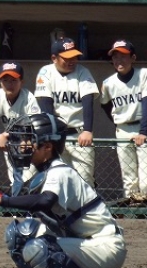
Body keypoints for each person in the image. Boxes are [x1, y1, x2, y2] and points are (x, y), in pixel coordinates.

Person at [0, 113, 126, 268]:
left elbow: (46, 200)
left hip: (105, 246)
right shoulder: (42, 172)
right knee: (18, 235)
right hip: (82, 240)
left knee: (40, 250)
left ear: (47, 147)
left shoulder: (60, 172)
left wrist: (1, 202)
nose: (22, 146)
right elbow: (21, 199)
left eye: (29, 140)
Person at [34, 38, 99, 186]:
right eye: (67, 58)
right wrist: (52, 136)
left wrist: (88, 130)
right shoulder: (46, 72)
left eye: (74, 57)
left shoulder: (82, 71)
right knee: (58, 180)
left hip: (79, 134)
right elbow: (46, 107)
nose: (72, 61)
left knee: (85, 180)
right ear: (54, 58)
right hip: (58, 135)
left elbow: (88, 102)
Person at [99, 40, 147, 201]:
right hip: (122, 129)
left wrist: (143, 131)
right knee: (129, 179)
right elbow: (105, 105)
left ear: (133, 58)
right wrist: (117, 123)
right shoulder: (108, 83)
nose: (119, 60)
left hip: (142, 127)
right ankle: (134, 210)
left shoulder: (143, 74)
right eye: (115, 57)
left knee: (146, 181)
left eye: (123, 56)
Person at [0, 61, 40, 195]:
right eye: (5, 80)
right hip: (10, 145)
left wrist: (29, 139)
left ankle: (26, 206)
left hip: (28, 145)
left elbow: (37, 124)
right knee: (15, 183)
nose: (9, 84)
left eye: (14, 80)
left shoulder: (29, 98)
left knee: (28, 182)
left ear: (21, 82)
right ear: (0, 82)